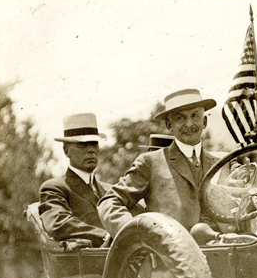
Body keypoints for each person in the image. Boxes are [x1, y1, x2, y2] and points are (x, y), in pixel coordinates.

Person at [98, 89, 219, 236]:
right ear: (169, 125)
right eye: (180, 118)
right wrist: (135, 234)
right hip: (172, 255)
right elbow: (110, 202)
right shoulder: (150, 162)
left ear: (204, 121)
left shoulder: (222, 164)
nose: (189, 124)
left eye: (194, 116)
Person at [37, 113, 112, 247]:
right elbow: (58, 223)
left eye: (94, 144)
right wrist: (106, 236)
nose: (91, 150)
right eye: (82, 144)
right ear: (66, 151)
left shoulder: (109, 190)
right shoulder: (55, 188)